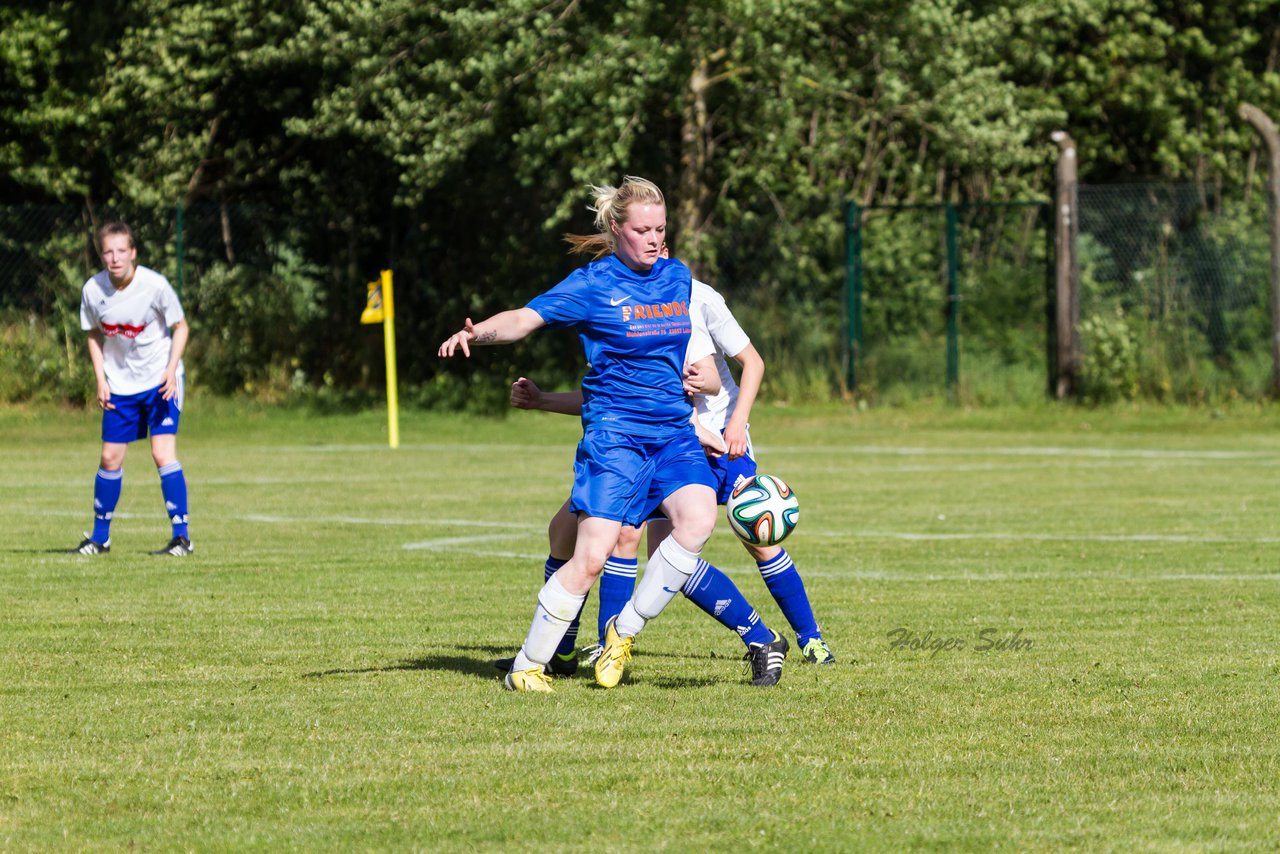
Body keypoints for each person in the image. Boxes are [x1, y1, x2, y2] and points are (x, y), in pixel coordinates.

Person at [438, 176, 788, 692]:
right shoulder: (592, 284)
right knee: (591, 555)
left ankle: (622, 631)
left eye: (660, 229)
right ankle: (527, 667)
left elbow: (700, 365)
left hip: (672, 434)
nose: (652, 238)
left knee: (696, 521)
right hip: (616, 439)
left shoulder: (677, 278)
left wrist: (712, 412)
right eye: (642, 229)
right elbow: (523, 319)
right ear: (616, 229)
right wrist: (477, 334)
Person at [509, 273, 835, 667]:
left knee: (758, 537)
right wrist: (543, 399)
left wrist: (731, 419)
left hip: (717, 446)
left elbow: (734, 369)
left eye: (658, 238)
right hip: (664, 446)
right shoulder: (625, 312)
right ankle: (594, 647)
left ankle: (807, 639)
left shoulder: (693, 300)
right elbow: (612, 398)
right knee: (612, 536)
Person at [74, 221, 193, 557]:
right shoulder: (93, 290)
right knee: (110, 457)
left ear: (133, 253)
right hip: (120, 385)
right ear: (102, 254)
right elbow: (94, 334)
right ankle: (100, 539)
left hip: (159, 380)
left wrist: (171, 369)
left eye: (121, 251)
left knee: (161, 452)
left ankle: (182, 538)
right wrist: (101, 379)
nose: (114, 258)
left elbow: (180, 327)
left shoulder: (154, 286)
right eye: (108, 251)